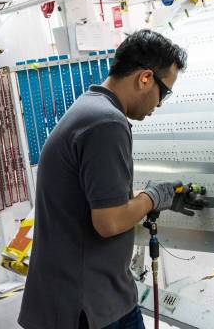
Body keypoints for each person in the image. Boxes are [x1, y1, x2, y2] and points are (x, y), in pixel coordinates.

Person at [18, 29, 188, 329]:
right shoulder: (107, 123)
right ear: (145, 79)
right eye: (164, 92)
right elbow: (108, 222)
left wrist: (138, 196)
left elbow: (89, 197)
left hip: (76, 298)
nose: (159, 103)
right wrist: (153, 197)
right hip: (89, 307)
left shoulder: (90, 106)